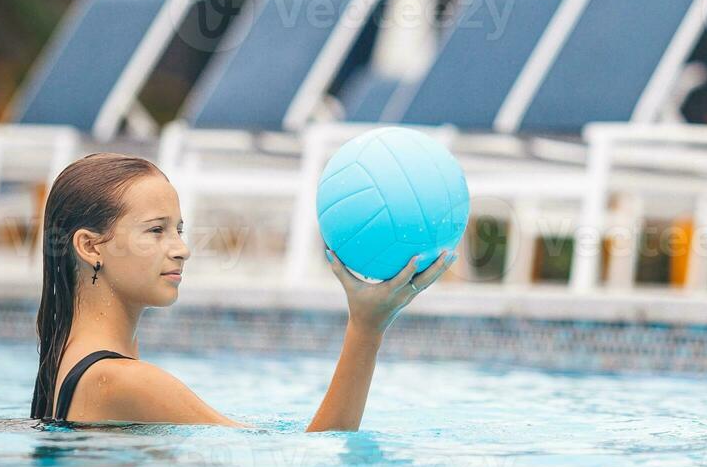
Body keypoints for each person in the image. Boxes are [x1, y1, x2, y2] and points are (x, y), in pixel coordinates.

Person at [29, 152, 450, 428]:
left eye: (178, 230)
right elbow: (311, 462)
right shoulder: (124, 382)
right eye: (156, 231)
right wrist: (367, 327)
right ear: (89, 246)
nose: (182, 249)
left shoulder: (64, 360)